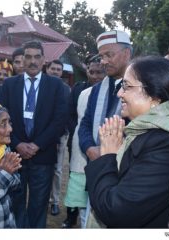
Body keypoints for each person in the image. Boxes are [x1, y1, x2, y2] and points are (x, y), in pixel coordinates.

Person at [85, 56, 169, 228]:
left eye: (126, 86)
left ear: (154, 97)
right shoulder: (147, 132)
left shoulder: (168, 143)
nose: (119, 93)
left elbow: (117, 211)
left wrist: (108, 156)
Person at [0, 40, 67, 228]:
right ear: (22, 59)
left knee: (38, 205)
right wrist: (17, 143)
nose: (32, 61)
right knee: (16, 203)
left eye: (37, 57)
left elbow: (59, 121)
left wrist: (37, 145)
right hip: (14, 155)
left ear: (44, 60)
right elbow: (1, 120)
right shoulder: (9, 85)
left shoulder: (56, 86)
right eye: (28, 56)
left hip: (43, 156)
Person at [63, 54, 105, 228]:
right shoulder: (80, 90)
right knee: (78, 192)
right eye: (91, 71)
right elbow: (71, 116)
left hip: (103, 149)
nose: (94, 76)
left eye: (99, 72)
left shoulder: (114, 91)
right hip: (80, 147)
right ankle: (72, 218)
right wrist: (81, 135)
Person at [78, 30, 131, 163]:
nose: (103, 61)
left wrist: (110, 150)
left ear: (126, 54)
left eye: (109, 55)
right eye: (101, 56)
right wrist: (89, 148)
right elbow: (85, 123)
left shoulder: (140, 87)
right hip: (96, 163)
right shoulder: (97, 89)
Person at [45, 59, 70, 216]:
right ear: (47, 69)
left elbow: (66, 113)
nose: (55, 71)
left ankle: (54, 201)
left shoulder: (66, 89)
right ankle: (41, 200)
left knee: (57, 170)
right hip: (40, 136)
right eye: (53, 68)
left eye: (58, 69)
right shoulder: (40, 86)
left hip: (59, 136)